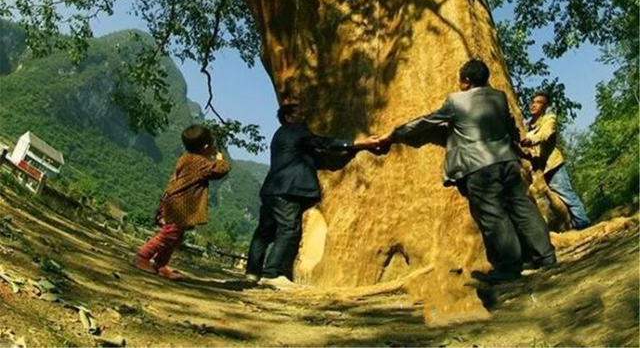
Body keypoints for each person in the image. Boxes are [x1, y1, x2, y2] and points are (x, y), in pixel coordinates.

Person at [376, 58, 557, 284]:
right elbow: (510, 126)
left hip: (479, 166)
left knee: (493, 215)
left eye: (461, 80)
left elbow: (426, 121)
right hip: (508, 162)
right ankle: (546, 257)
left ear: (467, 81)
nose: (459, 84)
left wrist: (394, 133)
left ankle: (509, 268)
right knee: (523, 208)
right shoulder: (499, 97)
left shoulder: (456, 102)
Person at [246, 101, 380, 288]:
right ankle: (271, 273)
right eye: (299, 113)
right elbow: (323, 143)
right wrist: (357, 143)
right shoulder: (296, 131)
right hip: (288, 190)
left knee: (264, 232)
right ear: (289, 118)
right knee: (288, 229)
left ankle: (252, 272)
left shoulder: (280, 135)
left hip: (271, 189)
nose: (304, 116)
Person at [135, 124, 230, 279]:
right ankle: (142, 257)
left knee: (175, 237)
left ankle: (159, 264)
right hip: (178, 206)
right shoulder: (199, 163)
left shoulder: (186, 158)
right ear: (206, 146)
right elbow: (219, 171)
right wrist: (220, 160)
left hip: (177, 204)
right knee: (169, 235)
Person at [521, 92, 590, 230]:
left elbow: (546, 133)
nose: (534, 104)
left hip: (553, 165)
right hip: (541, 169)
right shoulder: (528, 125)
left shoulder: (549, 119)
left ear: (545, 106)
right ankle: (570, 224)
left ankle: (583, 222)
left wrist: (531, 140)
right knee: (553, 198)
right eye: (533, 102)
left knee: (566, 194)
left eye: (539, 102)